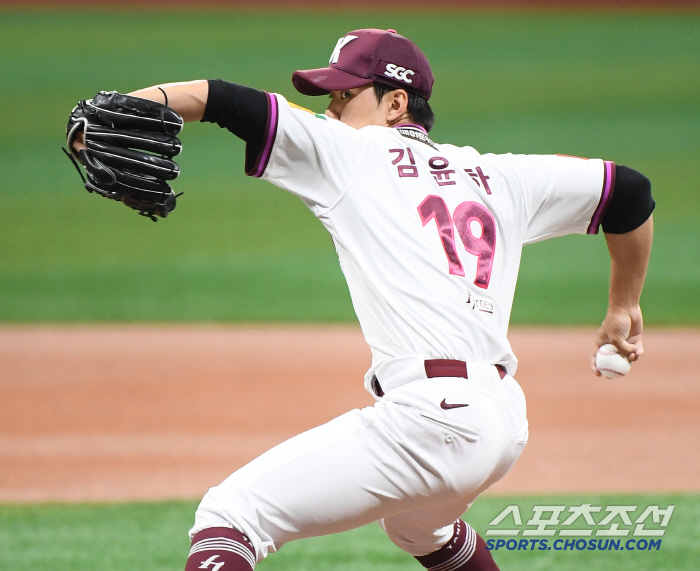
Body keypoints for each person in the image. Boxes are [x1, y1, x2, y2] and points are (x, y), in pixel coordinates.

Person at [72, 28, 654, 571]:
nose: (330, 113)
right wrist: (623, 307)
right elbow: (630, 192)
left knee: (229, 517)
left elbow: (223, 99)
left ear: (394, 103)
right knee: (420, 532)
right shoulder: (497, 176)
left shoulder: (353, 153)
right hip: (503, 423)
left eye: (342, 97)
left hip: (434, 420)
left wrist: (111, 110)